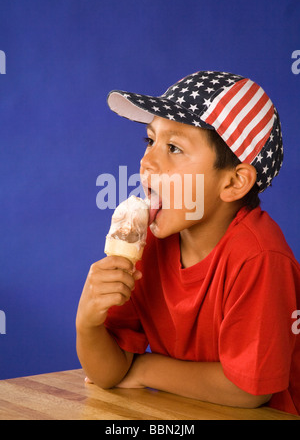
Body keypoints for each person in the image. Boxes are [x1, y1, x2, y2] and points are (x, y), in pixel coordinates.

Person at [76, 71, 300, 415]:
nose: (147, 162)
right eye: (150, 141)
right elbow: (107, 373)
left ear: (235, 182)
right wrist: (88, 322)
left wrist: (143, 368)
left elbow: (247, 391)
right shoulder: (149, 245)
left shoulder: (259, 257)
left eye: (174, 148)